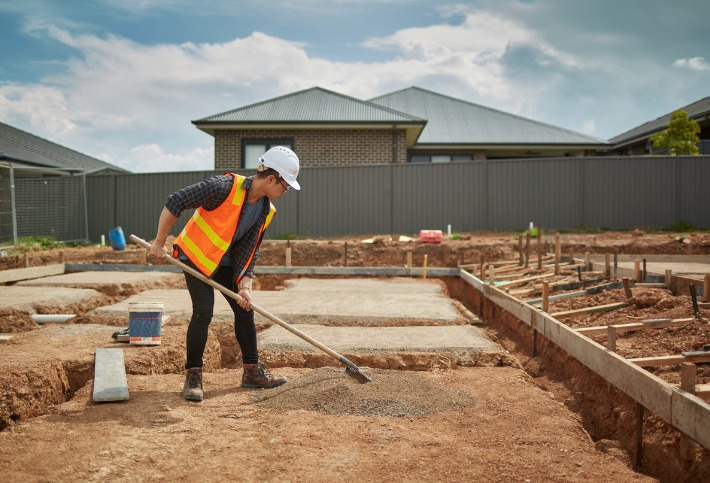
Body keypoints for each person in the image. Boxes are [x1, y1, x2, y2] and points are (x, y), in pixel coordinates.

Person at [148, 146, 300, 401]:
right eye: (285, 187)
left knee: (244, 309)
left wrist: (244, 287)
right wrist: (159, 242)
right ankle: (193, 374)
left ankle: (252, 372)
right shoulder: (222, 187)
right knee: (204, 310)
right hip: (196, 257)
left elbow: (250, 251)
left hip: (226, 263)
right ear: (272, 179)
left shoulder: (266, 211)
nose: (285, 193)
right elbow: (176, 201)